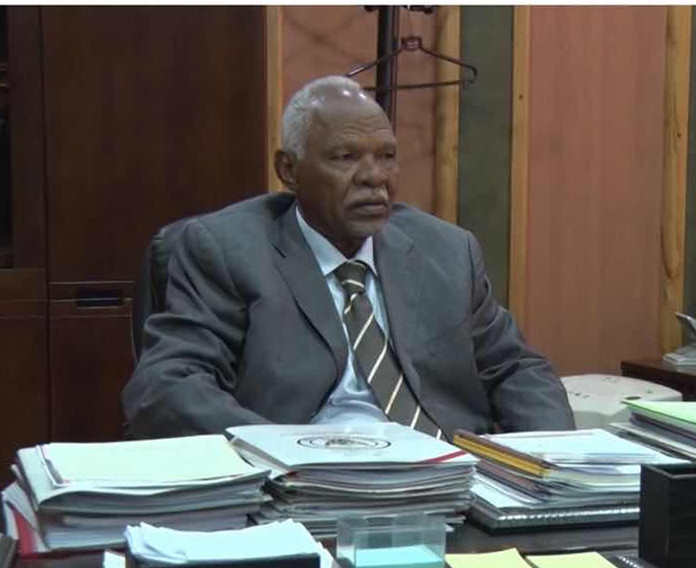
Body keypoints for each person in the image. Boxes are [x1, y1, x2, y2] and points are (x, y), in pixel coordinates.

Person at [122, 75, 574, 438]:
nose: (374, 178)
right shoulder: (225, 250)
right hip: (303, 484)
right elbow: (167, 386)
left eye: (387, 156)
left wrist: (551, 465)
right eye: (345, 157)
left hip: (444, 479)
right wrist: (282, 453)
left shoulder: (448, 251)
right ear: (289, 170)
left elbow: (516, 368)